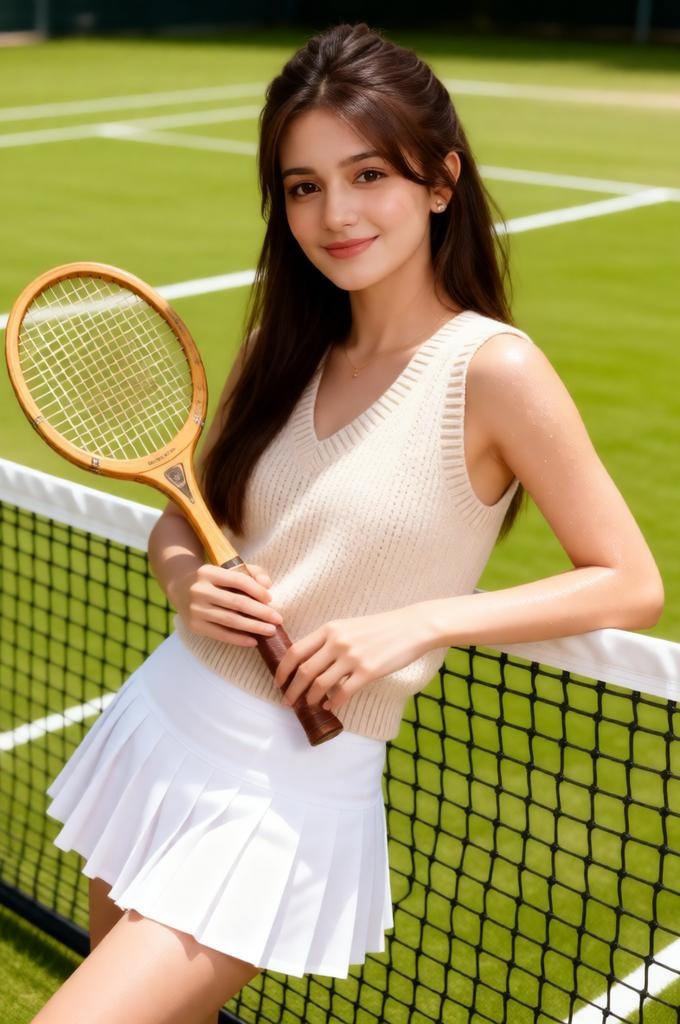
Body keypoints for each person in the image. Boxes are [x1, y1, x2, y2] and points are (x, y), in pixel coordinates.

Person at [33, 21, 663, 1024]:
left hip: (283, 789)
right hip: (162, 724)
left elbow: (628, 581)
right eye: (302, 185)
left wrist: (420, 621)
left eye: (367, 174)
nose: (334, 214)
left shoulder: (491, 370)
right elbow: (181, 520)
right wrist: (182, 585)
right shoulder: (279, 346)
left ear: (439, 181)